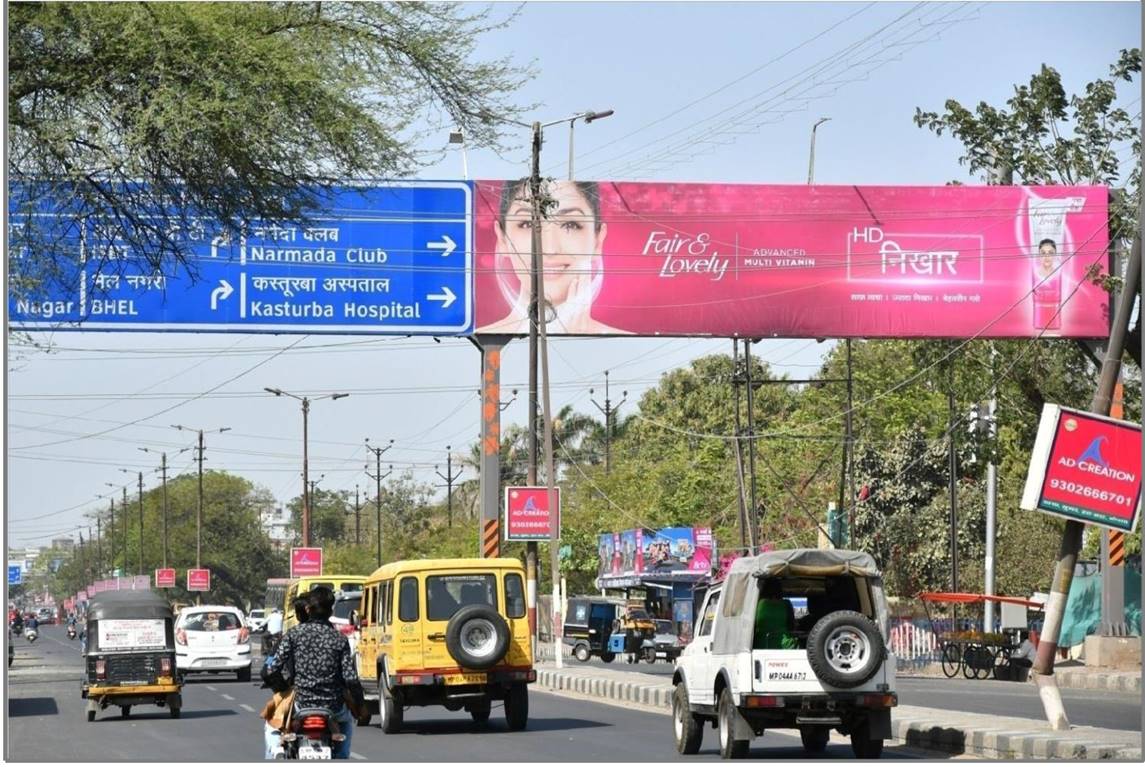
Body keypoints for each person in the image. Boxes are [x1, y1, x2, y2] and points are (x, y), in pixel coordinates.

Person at [479, 179, 629, 336]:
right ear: (502, 238)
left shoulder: (626, 344)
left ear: (598, 240)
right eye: (528, 224)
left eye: (570, 225)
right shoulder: (482, 340)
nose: (549, 250)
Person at [265, 587, 364, 760]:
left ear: (308, 609)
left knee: (271, 724)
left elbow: (272, 669)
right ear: (331, 610)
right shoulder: (339, 639)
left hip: (300, 703)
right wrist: (360, 704)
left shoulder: (293, 635)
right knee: (347, 722)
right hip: (333, 706)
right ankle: (341, 756)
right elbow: (350, 678)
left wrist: (283, 689)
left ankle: (277, 751)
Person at [753, 579, 795, 650]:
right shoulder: (786, 604)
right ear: (780, 590)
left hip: (762, 644)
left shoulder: (757, 604)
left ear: (764, 589)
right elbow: (791, 626)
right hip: (786, 646)